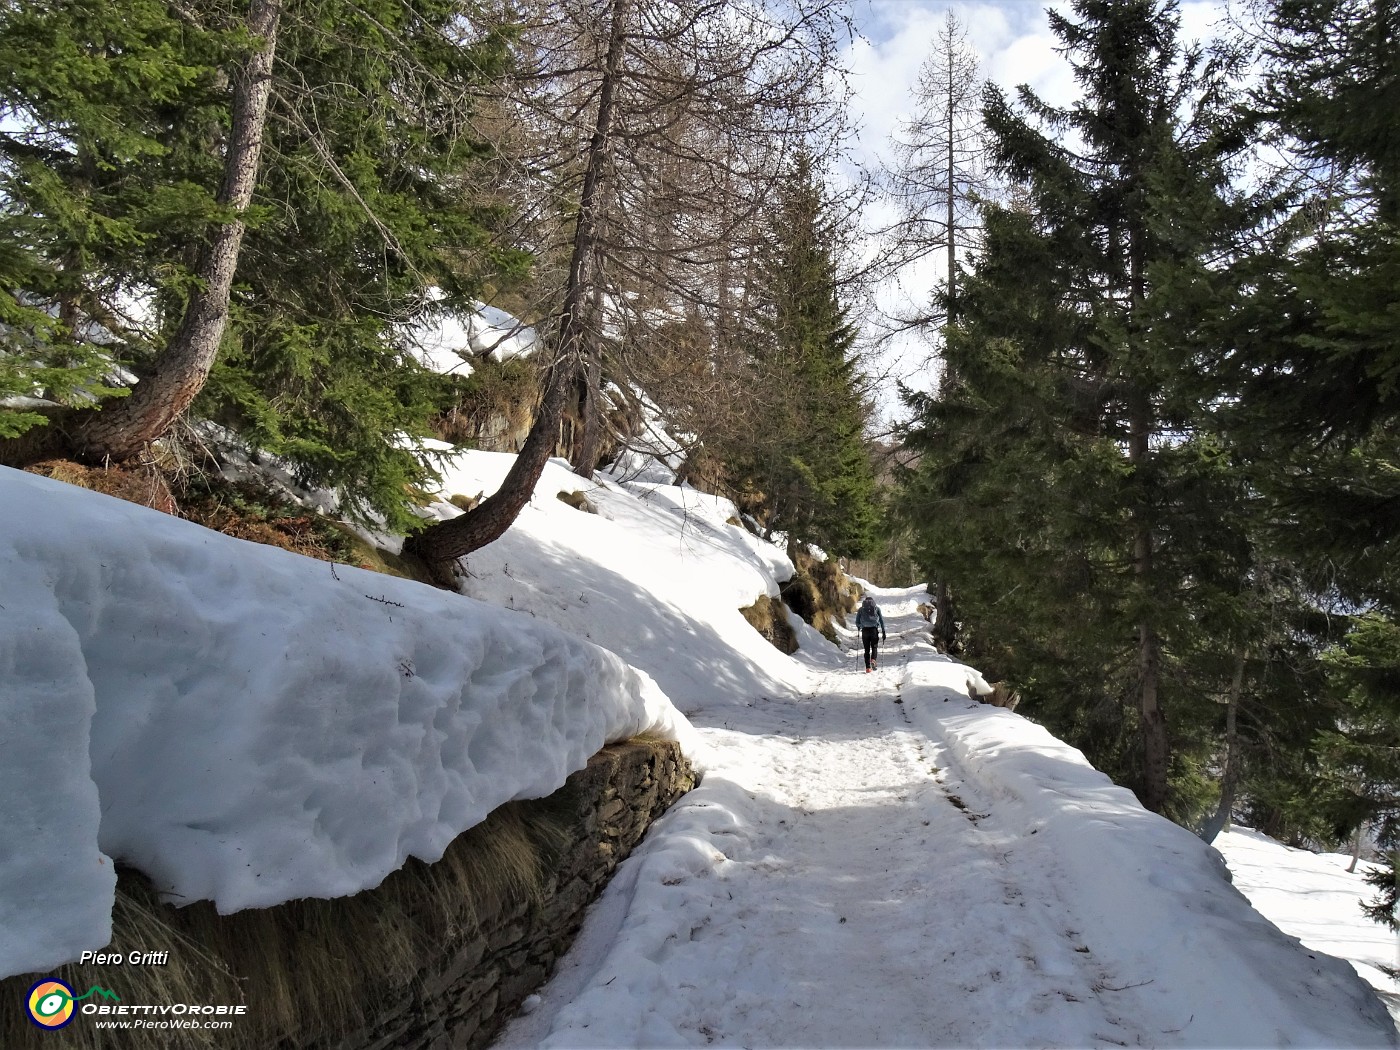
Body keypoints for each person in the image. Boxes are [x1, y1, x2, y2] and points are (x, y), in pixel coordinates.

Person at [855, 595, 886, 672]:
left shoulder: (861, 610)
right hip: (874, 630)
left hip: (865, 630)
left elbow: (857, 622)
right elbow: (881, 621)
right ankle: (873, 660)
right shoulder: (877, 608)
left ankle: (868, 668)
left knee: (866, 649)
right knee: (874, 647)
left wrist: (860, 626)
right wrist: (883, 631)